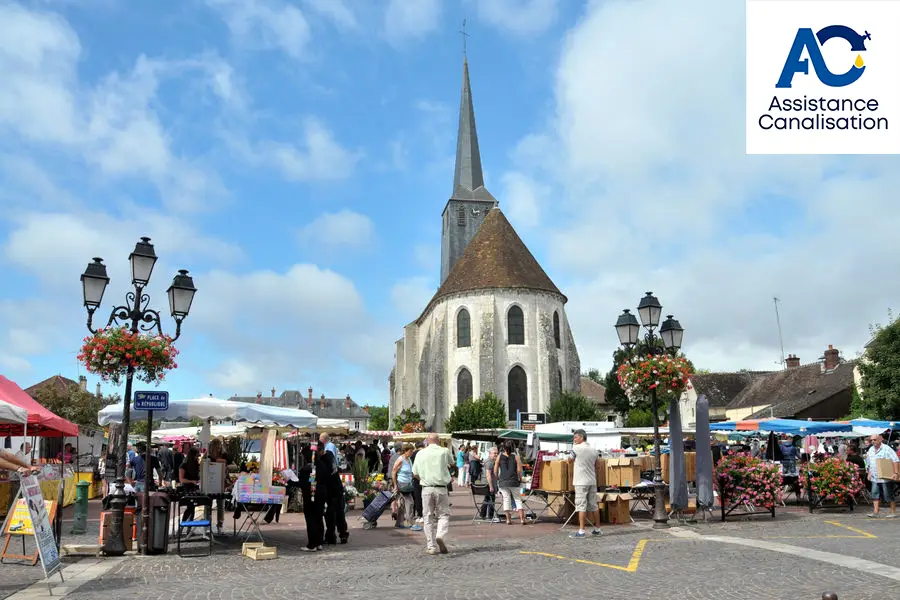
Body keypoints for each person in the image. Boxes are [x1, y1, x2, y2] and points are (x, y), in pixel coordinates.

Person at [412, 432, 454, 555]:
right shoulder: (444, 451)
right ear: (438, 440)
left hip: (426, 488)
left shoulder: (420, 453)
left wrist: (424, 479)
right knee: (443, 514)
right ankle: (440, 534)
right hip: (441, 488)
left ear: (427, 441)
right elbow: (452, 463)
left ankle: (431, 546)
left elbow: (415, 473)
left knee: (428, 517)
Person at [567, 429, 602, 538]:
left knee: (581, 505)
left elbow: (569, 460)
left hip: (580, 481)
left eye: (576, 437)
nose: (574, 439)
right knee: (594, 505)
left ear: (582, 437)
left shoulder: (576, 448)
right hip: (592, 480)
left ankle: (581, 531)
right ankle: (597, 529)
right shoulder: (594, 449)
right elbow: (598, 465)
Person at [297, 447, 325, 552]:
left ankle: (312, 544)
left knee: (311, 519)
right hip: (321, 493)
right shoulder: (321, 464)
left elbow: (307, 483)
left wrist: (291, 482)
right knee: (319, 518)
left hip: (311, 495)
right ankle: (319, 542)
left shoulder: (309, 468)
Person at [865, 433, 899, 518]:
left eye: (875, 440)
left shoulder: (887, 449)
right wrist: (869, 473)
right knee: (875, 494)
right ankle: (876, 512)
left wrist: (896, 473)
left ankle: (893, 512)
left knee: (888, 495)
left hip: (885, 476)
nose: (873, 441)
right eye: (871, 440)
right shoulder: (871, 449)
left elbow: (896, 460)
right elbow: (869, 462)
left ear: (880, 439)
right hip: (875, 476)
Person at [322, 445, 349, 544]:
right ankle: (343, 534)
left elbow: (324, 476)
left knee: (331, 514)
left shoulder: (323, 460)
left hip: (331, 490)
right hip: (337, 488)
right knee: (339, 513)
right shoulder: (330, 454)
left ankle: (331, 536)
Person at [494, 440, 526, 525]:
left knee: (506, 500)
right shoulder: (516, 456)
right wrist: (521, 479)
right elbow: (519, 470)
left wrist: (497, 478)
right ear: (512, 447)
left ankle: (508, 519)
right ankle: (522, 519)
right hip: (514, 481)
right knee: (518, 500)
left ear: (504, 447)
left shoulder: (499, 456)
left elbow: (495, 469)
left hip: (503, 481)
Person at [392, 443, 416, 529]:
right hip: (402, 484)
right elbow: (393, 472)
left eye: (412, 451)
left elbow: (411, 472)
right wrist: (395, 485)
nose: (412, 453)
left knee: (402, 504)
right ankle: (411, 522)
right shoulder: (400, 460)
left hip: (408, 484)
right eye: (410, 451)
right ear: (405, 451)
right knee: (410, 503)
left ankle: (399, 523)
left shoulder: (409, 459)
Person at [482, 446, 499, 521]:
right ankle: (490, 516)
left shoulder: (490, 461)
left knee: (487, 499)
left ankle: (482, 514)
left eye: (497, 453)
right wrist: (491, 486)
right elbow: (488, 474)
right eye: (494, 453)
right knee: (491, 499)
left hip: (486, 483)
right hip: (488, 484)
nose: (496, 454)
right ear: (490, 454)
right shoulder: (490, 462)